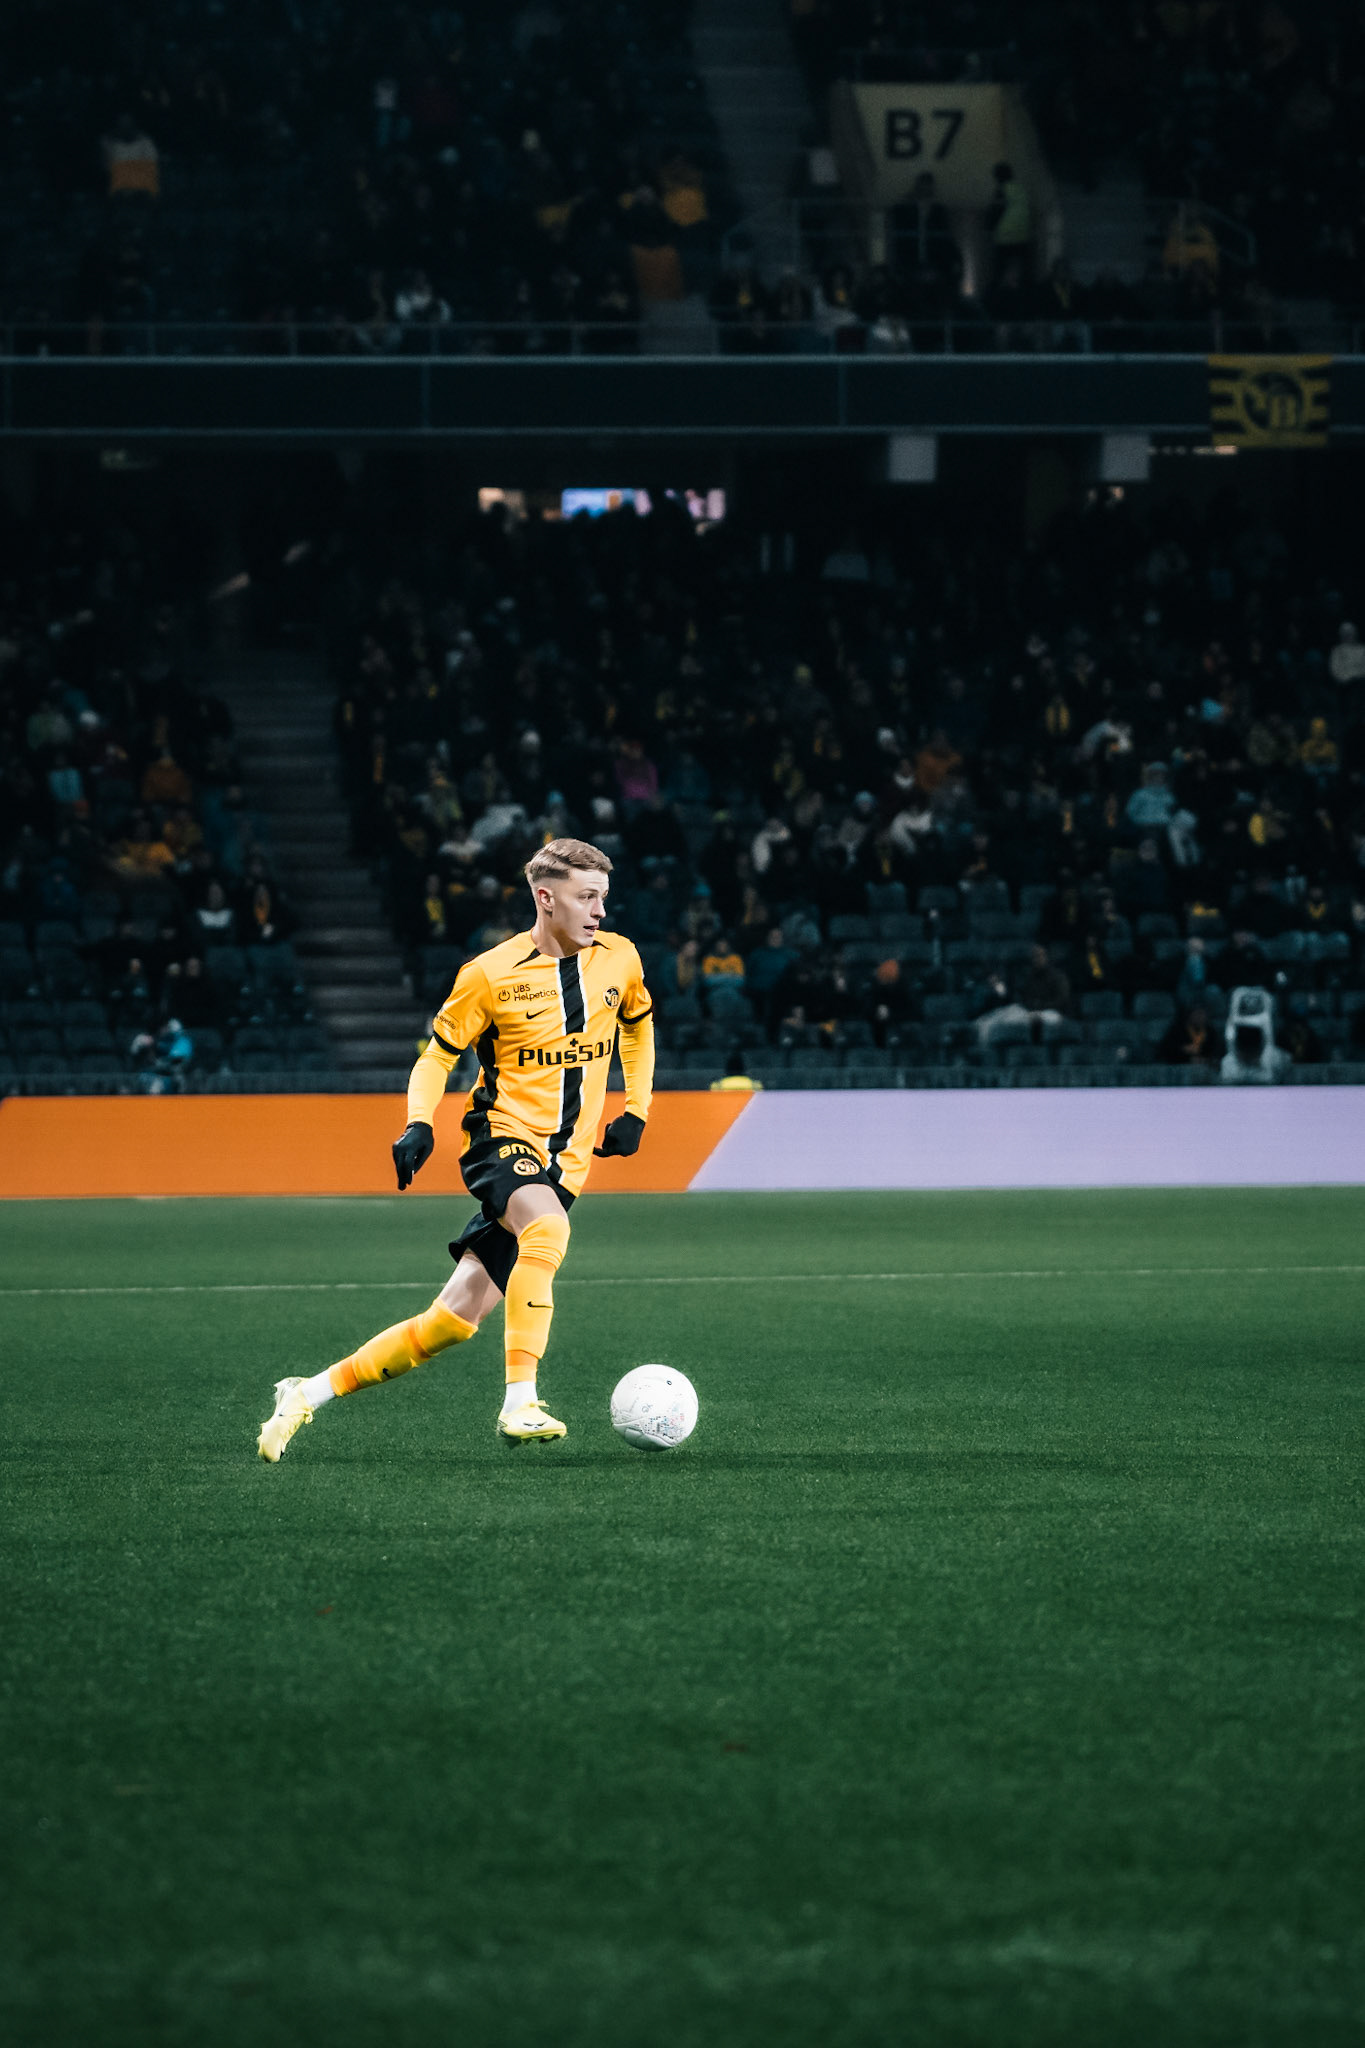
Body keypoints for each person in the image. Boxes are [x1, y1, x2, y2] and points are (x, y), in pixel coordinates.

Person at [258, 840, 654, 1460]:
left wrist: (636, 1109)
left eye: (603, 897)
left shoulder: (620, 959)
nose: (600, 910)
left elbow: (638, 1026)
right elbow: (437, 1057)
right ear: (546, 898)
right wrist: (419, 1123)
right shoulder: (489, 974)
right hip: (501, 1138)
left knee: (451, 1321)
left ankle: (305, 1393)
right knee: (547, 1231)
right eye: (587, 897)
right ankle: (520, 1401)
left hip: (566, 1164)